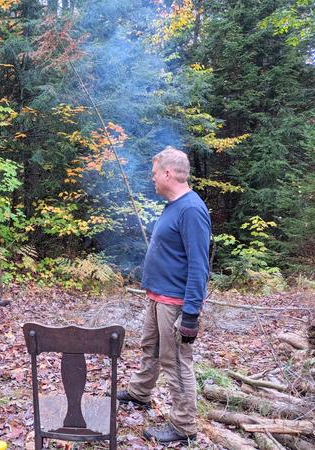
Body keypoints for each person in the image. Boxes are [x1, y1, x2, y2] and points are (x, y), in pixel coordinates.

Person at [117, 147, 211, 444]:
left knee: (176, 363)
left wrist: (191, 314)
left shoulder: (192, 210)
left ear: (168, 173)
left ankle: (184, 427)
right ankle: (140, 393)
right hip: (158, 297)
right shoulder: (173, 205)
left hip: (175, 303)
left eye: (155, 172)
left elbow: (199, 265)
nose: (152, 178)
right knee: (151, 348)